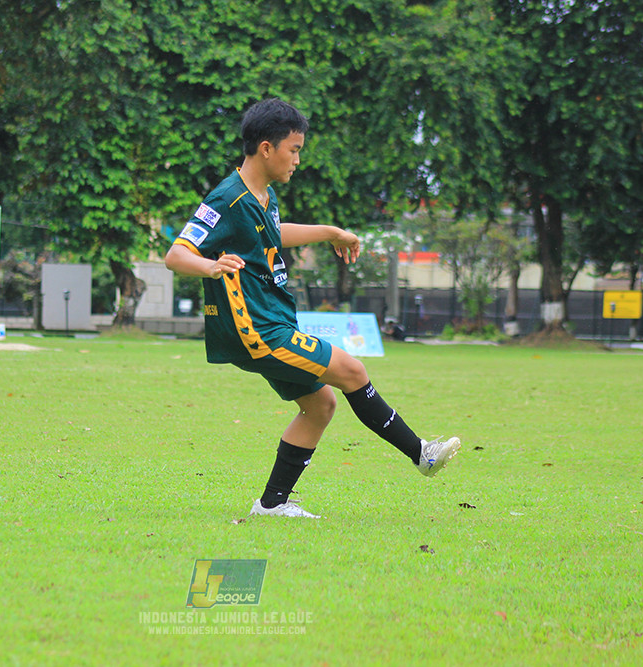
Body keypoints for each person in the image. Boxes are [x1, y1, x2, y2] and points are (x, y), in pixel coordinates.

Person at [164, 98, 460, 518]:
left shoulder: (262, 195)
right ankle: (421, 454)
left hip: (274, 322)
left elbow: (270, 235)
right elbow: (177, 254)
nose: (298, 160)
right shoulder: (226, 199)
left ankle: (272, 505)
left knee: (321, 405)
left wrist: (330, 232)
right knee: (353, 371)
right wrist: (211, 266)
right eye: (294, 149)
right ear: (266, 148)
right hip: (258, 331)